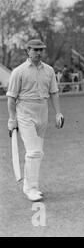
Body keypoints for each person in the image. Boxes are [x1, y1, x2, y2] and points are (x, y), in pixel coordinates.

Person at [6, 39, 64, 202]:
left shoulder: (49, 70)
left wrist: (58, 113)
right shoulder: (19, 71)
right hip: (25, 111)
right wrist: (12, 119)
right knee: (33, 152)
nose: (38, 53)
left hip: (42, 111)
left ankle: (32, 186)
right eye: (35, 50)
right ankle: (30, 189)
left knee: (38, 152)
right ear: (28, 51)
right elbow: (11, 98)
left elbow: (54, 93)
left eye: (41, 50)